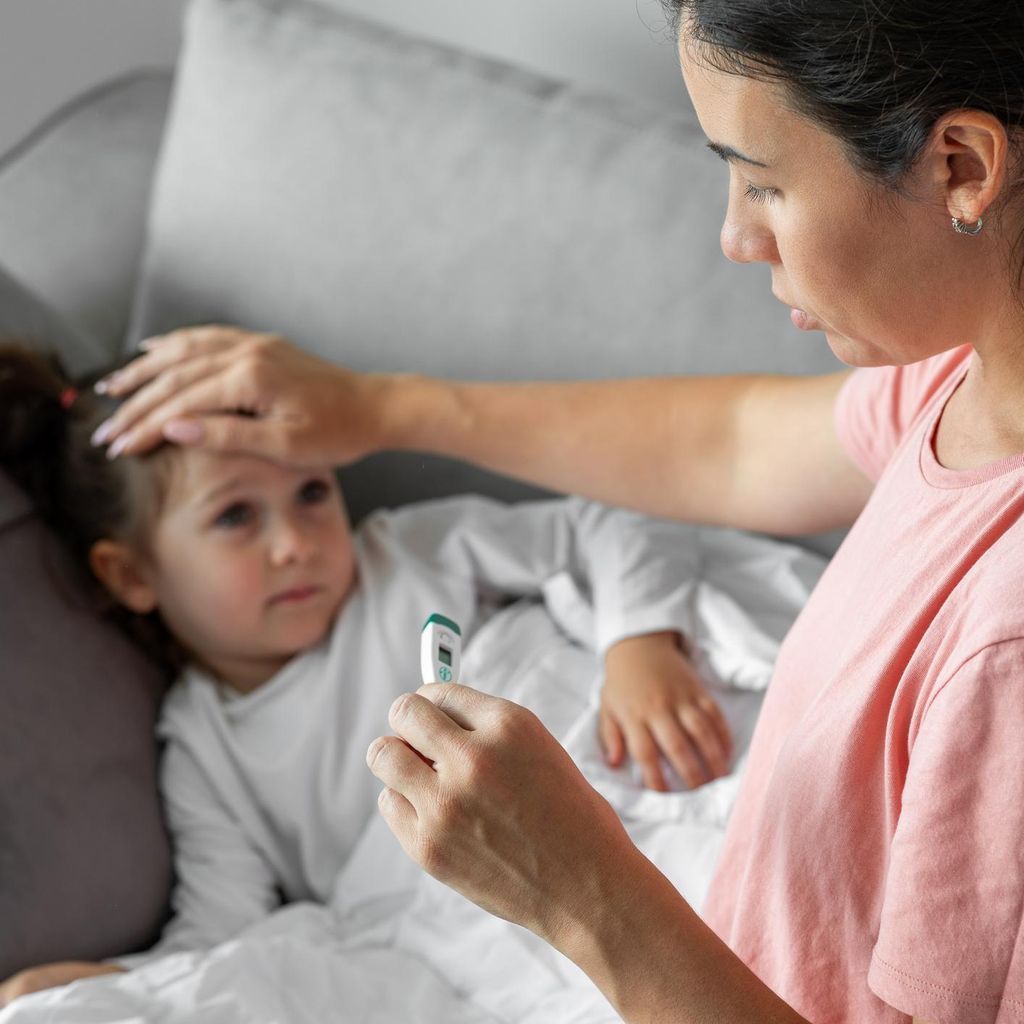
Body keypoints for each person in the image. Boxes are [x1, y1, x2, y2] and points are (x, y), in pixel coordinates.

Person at [68, 0, 1024, 1020]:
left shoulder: (1001, 642)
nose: (734, 235)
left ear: (960, 167)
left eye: (763, 180)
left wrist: (576, 889)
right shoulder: (957, 382)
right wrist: (377, 407)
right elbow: (737, 442)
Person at [0, 342, 735, 1008]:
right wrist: (110, 981)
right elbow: (222, 930)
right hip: (476, 899)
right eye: (235, 518)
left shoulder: (405, 555)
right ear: (131, 574)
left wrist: (639, 645)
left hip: (610, 753)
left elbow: (599, 523)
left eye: (311, 494)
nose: (295, 543)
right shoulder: (204, 745)